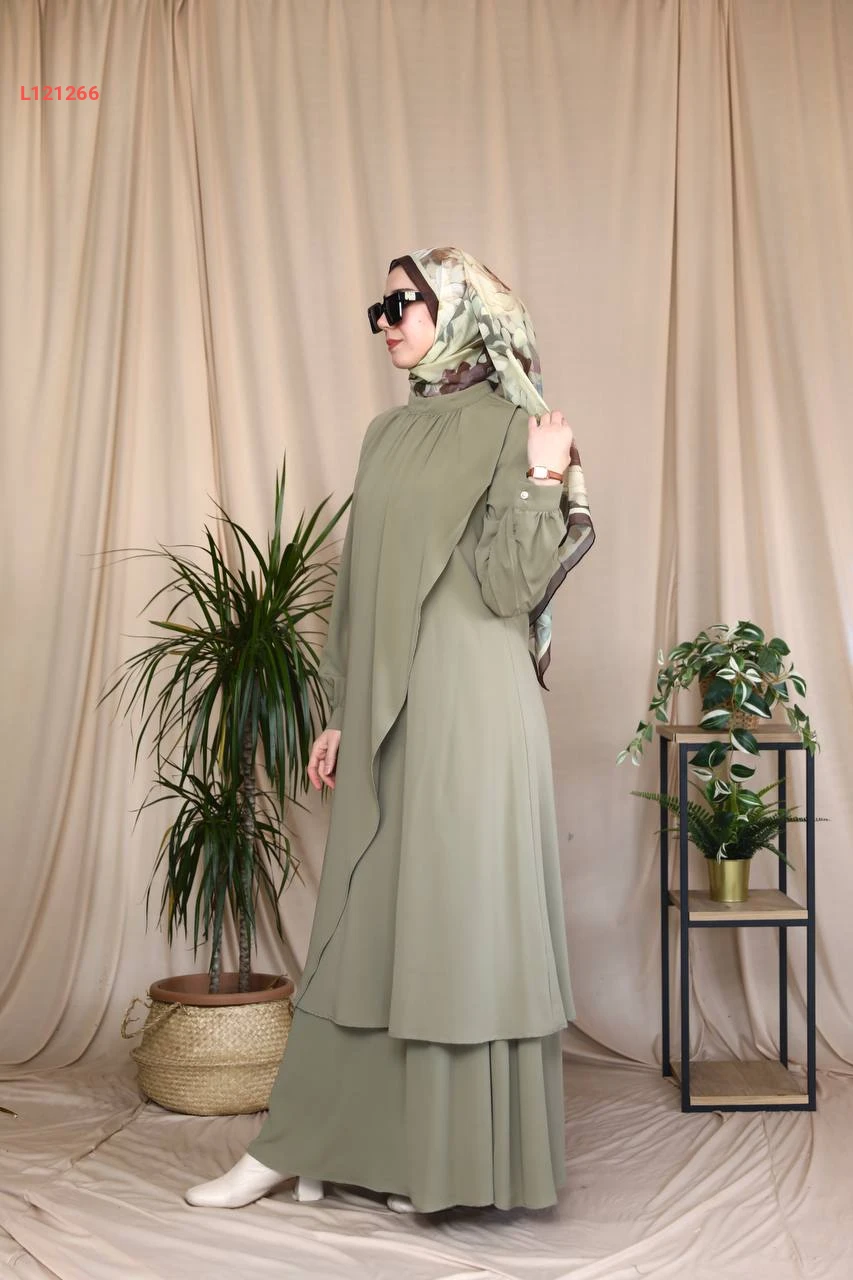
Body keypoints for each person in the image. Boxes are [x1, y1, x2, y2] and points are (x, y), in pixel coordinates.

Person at [185, 245, 595, 1215]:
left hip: (472, 714)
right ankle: (302, 1141)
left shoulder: (516, 426)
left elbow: (509, 587)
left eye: (403, 303)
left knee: (452, 931)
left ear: (459, 311)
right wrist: (337, 707)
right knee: (365, 929)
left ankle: (438, 1164)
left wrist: (543, 477)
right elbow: (359, 584)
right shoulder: (385, 433)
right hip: (386, 708)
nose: (387, 323)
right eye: (380, 308)